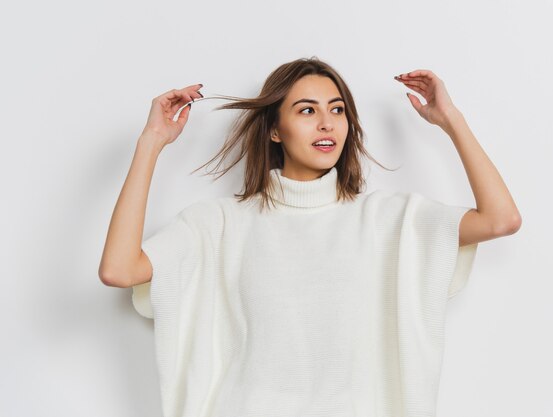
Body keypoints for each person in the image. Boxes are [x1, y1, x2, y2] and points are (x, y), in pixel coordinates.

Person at [98, 56, 521, 417]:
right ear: (275, 129)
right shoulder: (220, 223)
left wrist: (452, 120)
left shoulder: (390, 220)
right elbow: (119, 269)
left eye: (337, 110)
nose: (327, 123)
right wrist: (151, 142)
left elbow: (501, 219)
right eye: (306, 110)